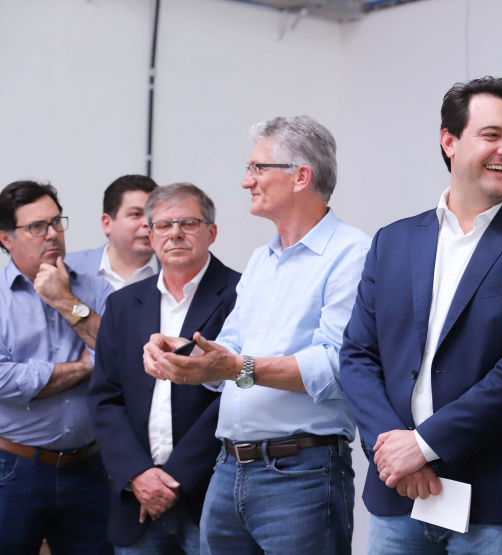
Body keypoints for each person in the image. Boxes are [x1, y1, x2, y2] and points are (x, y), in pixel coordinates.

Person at [340, 76, 502, 554]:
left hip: (499, 502)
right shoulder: (393, 241)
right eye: (491, 135)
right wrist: (393, 448)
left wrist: (422, 445)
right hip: (399, 496)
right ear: (449, 141)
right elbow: (358, 356)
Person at [142, 116, 369, 554]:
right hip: (229, 467)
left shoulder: (351, 253)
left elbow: (337, 365)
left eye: (258, 168)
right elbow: (231, 351)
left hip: (302, 472)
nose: (246, 181)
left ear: (301, 176)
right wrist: (186, 355)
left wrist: (235, 367)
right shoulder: (261, 260)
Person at [89, 183, 240, 553]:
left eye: (188, 223)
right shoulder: (123, 304)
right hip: (137, 498)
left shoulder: (241, 294)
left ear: (212, 232)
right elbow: (105, 398)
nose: (175, 233)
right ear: (152, 235)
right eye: (163, 225)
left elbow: (237, 394)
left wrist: (173, 479)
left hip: (209, 493)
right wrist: (138, 474)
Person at [0, 180, 114, 553]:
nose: (52, 234)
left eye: (56, 222)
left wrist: (64, 300)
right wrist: (82, 368)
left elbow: (119, 356)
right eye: (36, 227)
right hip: (13, 470)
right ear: (6, 239)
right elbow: (4, 379)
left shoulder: (97, 290)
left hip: (89, 469)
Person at [67, 175, 159, 290]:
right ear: (107, 223)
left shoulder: (179, 273)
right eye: (136, 214)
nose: (147, 223)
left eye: (153, 215)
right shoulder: (68, 269)